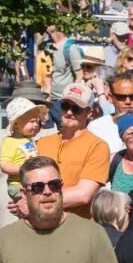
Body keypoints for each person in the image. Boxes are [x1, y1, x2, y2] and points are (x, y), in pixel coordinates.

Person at [38, 81, 114, 215]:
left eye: (76, 108)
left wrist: (35, 201)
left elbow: (83, 195)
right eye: (65, 106)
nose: (69, 112)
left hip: (76, 226)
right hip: (39, 221)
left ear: (89, 113)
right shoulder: (42, 143)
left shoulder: (97, 146)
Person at [0, 96, 47, 239]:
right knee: (26, 205)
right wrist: (25, 169)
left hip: (28, 183)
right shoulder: (9, 142)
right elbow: (4, 165)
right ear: (16, 125)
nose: (35, 125)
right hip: (16, 185)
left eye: (37, 121)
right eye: (31, 121)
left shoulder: (29, 140)